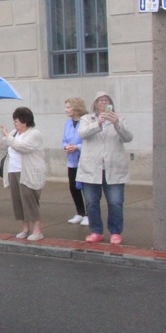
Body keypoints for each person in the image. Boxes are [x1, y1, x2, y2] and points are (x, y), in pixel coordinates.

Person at [77, 92, 133, 245]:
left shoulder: (119, 119)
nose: (103, 103)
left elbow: (128, 137)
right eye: (100, 100)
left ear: (111, 104)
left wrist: (117, 124)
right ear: (95, 103)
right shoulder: (86, 119)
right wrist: (98, 124)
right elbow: (82, 133)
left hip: (113, 168)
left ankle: (115, 232)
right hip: (91, 169)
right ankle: (96, 231)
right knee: (91, 202)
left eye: (106, 100)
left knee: (115, 201)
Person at [0, 107, 46, 241]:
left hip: (28, 172)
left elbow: (22, 147)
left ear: (25, 121)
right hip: (13, 170)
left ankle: (37, 230)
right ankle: (25, 228)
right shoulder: (14, 133)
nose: (15, 123)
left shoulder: (34, 134)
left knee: (30, 200)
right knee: (18, 201)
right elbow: (1, 145)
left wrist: (8, 136)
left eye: (17, 121)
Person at [63, 97, 88, 225]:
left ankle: (89, 214)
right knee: (73, 187)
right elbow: (64, 140)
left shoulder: (86, 121)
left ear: (76, 108)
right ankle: (80, 212)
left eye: (68, 107)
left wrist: (77, 147)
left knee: (86, 187)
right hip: (71, 160)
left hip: (83, 160)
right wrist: (66, 147)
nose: (66, 110)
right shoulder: (68, 123)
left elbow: (90, 142)